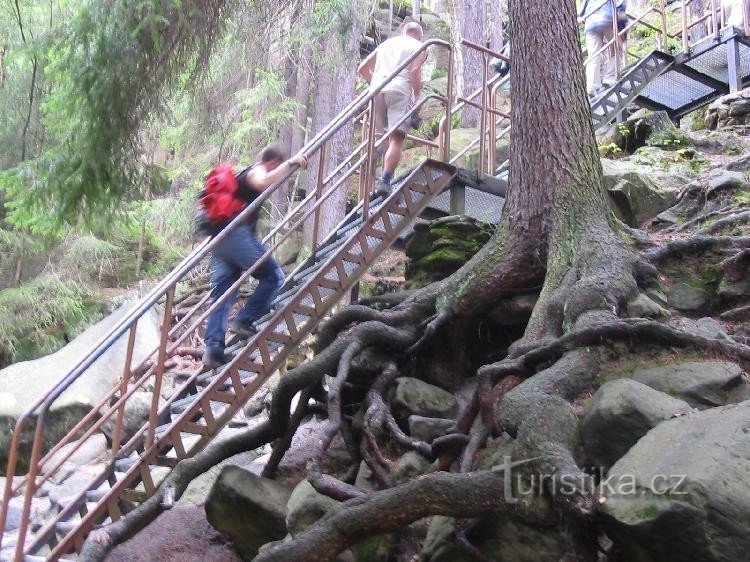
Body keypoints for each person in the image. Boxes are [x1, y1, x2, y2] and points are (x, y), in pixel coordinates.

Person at [202, 145, 308, 368]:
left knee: (224, 293)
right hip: (235, 236)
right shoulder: (255, 171)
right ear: (273, 162)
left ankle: (213, 350)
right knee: (274, 276)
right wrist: (292, 164)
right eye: (278, 165)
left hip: (220, 239)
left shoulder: (240, 176)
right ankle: (245, 319)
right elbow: (262, 181)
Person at [357, 22, 427, 194]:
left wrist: (375, 82)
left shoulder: (386, 44)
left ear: (404, 32)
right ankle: (386, 181)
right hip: (400, 89)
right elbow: (415, 71)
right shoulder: (420, 46)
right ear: (419, 35)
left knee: (379, 139)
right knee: (396, 138)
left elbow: (363, 69)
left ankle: (369, 187)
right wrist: (417, 97)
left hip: (376, 90)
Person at [579, 0, 626, 97]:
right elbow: (620, 5)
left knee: (593, 55)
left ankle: (592, 86)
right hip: (605, 19)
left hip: (590, 24)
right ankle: (610, 78)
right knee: (617, 48)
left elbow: (581, 12)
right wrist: (622, 24)